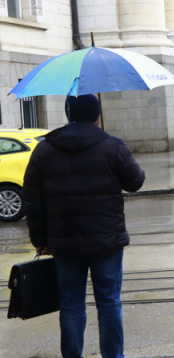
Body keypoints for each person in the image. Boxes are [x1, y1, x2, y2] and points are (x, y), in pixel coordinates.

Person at [24, 94, 146, 358]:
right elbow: (135, 182)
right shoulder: (112, 145)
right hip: (107, 242)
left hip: (64, 241)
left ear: (68, 115)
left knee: (70, 304)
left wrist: (39, 238)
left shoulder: (44, 149)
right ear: (97, 115)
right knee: (109, 302)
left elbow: (32, 200)